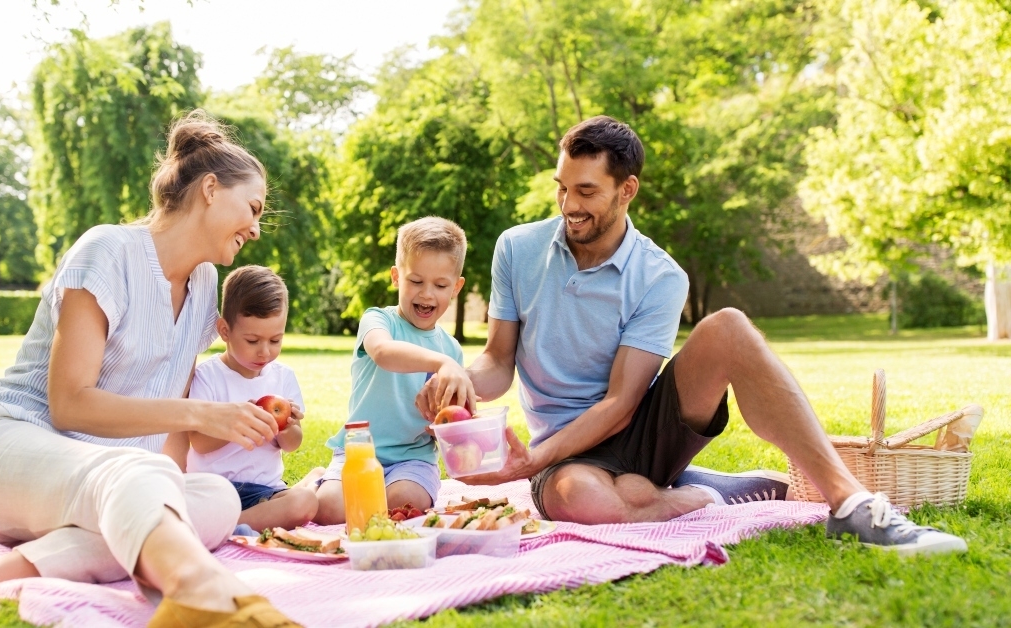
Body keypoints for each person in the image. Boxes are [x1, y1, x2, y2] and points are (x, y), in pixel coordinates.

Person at [0, 110, 301, 627]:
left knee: (213, 498)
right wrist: (201, 416)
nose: (255, 226)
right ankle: (203, 594)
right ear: (208, 189)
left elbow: (172, 421)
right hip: (5, 449)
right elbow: (70, 403)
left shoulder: (204, 287)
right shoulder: (108, 250)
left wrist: (168, 481)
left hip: (97, 482)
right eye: (252, 207)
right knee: (140, 479)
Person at [418, 116, 967, 556]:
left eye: (586, 191)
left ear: (626, 189)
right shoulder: (518, 248)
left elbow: (621, 402)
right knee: (580, 498)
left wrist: (528, 465)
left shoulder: (660, 277)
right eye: (561, 188)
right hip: (569, 454)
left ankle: (850, 503)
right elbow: (496, 362)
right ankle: (697, 493)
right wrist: (457, 380)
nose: (569, 206)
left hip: (639, 430)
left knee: (728, 325)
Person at [313, 217, 475, 525]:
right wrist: (441, 363)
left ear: (456, 287)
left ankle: (379, 491)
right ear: (396, 277)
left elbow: (448, 416)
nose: (427, 294)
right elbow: (385, 353)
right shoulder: (378, 321)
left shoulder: (450, 349)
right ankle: (319, 479)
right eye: (416, 281)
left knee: (402, 504)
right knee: (329, 511)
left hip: (412, 459)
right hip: (360, 451)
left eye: (440, 285)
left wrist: (446, 428)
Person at [164, 265, 320, 532]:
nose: (264, 352)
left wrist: (288, 426)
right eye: (252, 340)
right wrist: (235, 423)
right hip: (215, 488)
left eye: (275, 340)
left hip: (265, 490)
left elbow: (292, 445)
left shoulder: (283, 377)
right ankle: (231, 523)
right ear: (225, 331)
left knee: (304, 502)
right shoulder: (209, 376)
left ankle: (225, 527)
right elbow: (199, 444)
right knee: (191, 503)